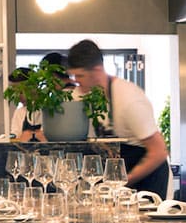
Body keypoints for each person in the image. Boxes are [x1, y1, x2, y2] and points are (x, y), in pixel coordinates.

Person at [66, 39, 170, 199]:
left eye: (80, 75)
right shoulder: (80, 94)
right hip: (116, 176)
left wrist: (122, 183)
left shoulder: (129, 99)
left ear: (97, 70)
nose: (76, 81)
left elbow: (159, 152)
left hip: (146, 178)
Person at [7, 52, 67, 142]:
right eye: (14, 91)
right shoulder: (19, 112)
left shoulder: (51, 108)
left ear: (34, 87)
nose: (17, 96)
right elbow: (15, 137)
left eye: (20, 91)